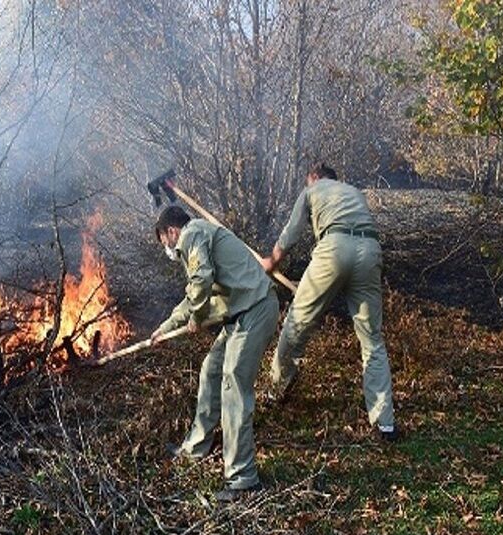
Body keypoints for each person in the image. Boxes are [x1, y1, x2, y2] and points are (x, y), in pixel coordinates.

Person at [260, 163, 397, 441]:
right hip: (370, 250)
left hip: (334, 249)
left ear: (314, 177)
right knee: (372, 340)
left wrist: (271, 262)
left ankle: (275, 392)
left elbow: (291, 233)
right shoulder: (353, 192)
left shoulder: (312, 190)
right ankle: (386, 424)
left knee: (296, 323)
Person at [151, 205, 279, 501]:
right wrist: (166, 326)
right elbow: (193, 294)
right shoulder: (198, 237)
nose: (168, 250)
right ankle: (196, 448)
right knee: (211, 370)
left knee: (233, 385)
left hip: (255, 310)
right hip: (239, 314)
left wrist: (197, 316)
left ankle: (242, 478)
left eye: (165, 242)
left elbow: (201, 281)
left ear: (171, 231)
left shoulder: (192, 232)